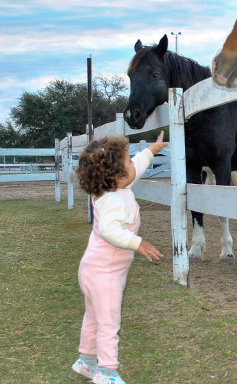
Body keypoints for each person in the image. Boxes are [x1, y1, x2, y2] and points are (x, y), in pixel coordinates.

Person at [71, 132, 167, 384]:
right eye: (129, 163)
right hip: (105, 275)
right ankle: (107, 372)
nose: (134, 164)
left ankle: (86, 361)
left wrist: (152, 151)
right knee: (108, 322)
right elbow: (109, 231)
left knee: (94, 317)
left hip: (92, 270)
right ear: (119, 175)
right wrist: (138, 243)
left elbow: (136, 167)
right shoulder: (114, 200)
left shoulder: (111, 190)